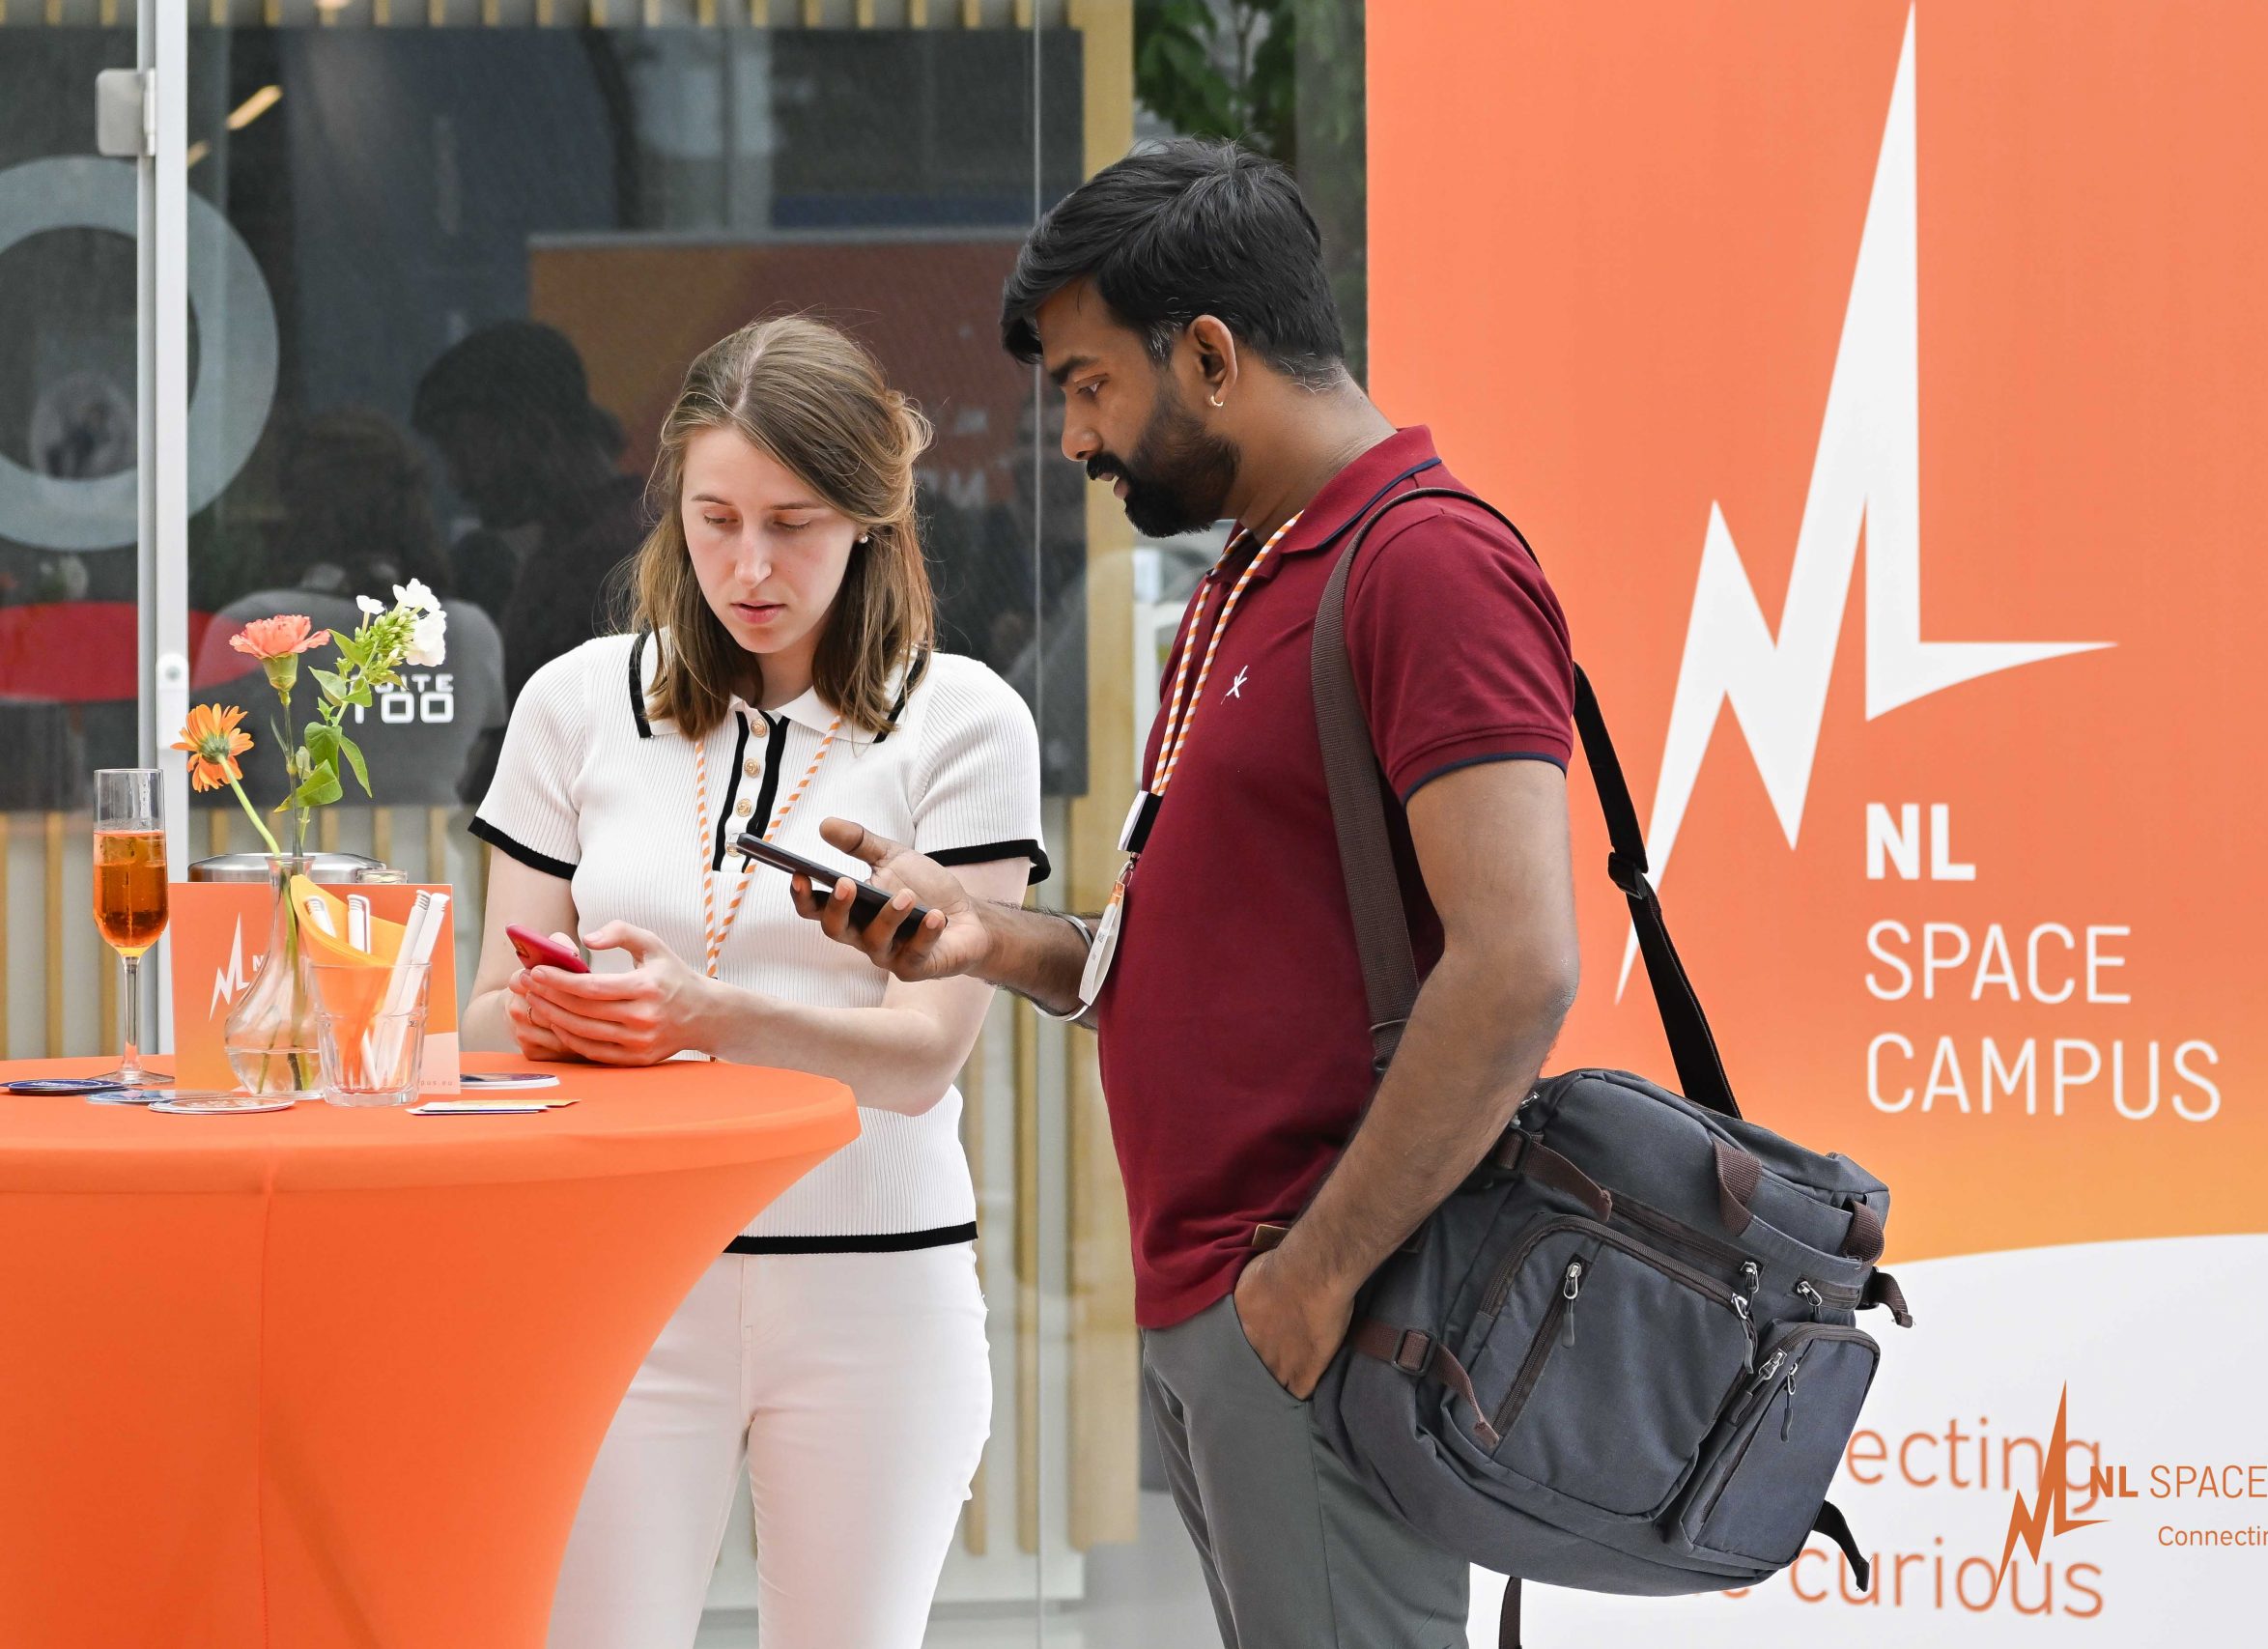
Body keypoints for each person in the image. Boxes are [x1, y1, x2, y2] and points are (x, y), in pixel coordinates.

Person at [799, 140, 1583, 1649]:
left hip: (1322, 1306)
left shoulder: (1425, 565)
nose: (1078, 435)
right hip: (1229, 1305)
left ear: (1211, 355)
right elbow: (1187, 947)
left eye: (1091, 384)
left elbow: (1516, 964)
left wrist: (1311, 1282)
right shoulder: (1247, 575)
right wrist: (987, 937)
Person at [464, 316, 1044, 1649]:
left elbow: (920, 1055)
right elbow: (487, 1023)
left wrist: (706, 1016)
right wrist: (579, 1017)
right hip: (618, 1288)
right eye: (715, 517)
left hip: (875, 1292)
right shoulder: (575, 703)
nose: (749, 564)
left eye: (793, 522)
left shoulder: (962, 720)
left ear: (870, 519)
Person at [196, 408, 506, 809]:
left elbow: (207, 784)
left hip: (284, 863)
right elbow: (484, 774)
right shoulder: (470, 631)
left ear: (301, 510)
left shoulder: (254, 625)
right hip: (438, 866)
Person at [410, 320, 648, 800]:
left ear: (536, 431)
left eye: (466, 451)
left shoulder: (601, 559)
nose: (458, 482)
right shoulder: (604, 541)